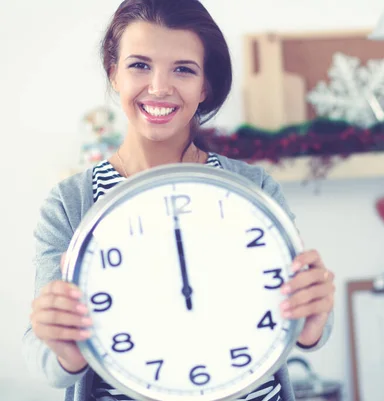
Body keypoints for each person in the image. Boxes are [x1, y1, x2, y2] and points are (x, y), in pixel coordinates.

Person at [23, 1, 335, 400]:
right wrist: (62, 346)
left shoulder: (252, 187)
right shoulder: (71, 203)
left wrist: (313, 322)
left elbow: (306, 317)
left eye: (183, 69)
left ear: (205, 85)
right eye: (139, 65)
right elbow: (40, 351)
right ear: (113, 73)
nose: (158, 87)